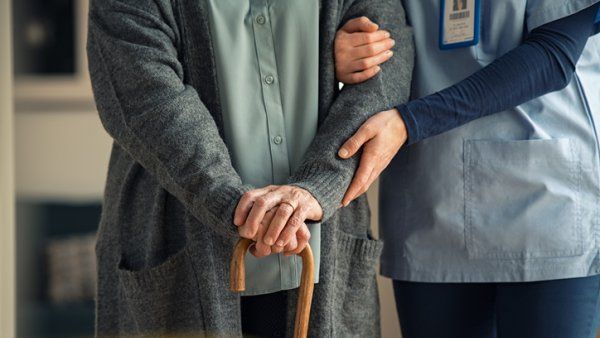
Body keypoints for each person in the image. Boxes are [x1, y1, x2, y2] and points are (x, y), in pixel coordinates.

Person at [87, 0, 413, 337]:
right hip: (180, 245)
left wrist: (317, 188)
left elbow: (386, 72)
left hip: (321, 250)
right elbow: (147, 99)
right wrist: (241, 208)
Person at [334, 1, 600, 338]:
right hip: (431, 200)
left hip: (545, 207)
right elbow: (357, 21)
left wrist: (411, 122)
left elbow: (553, 56)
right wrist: (336, 55)